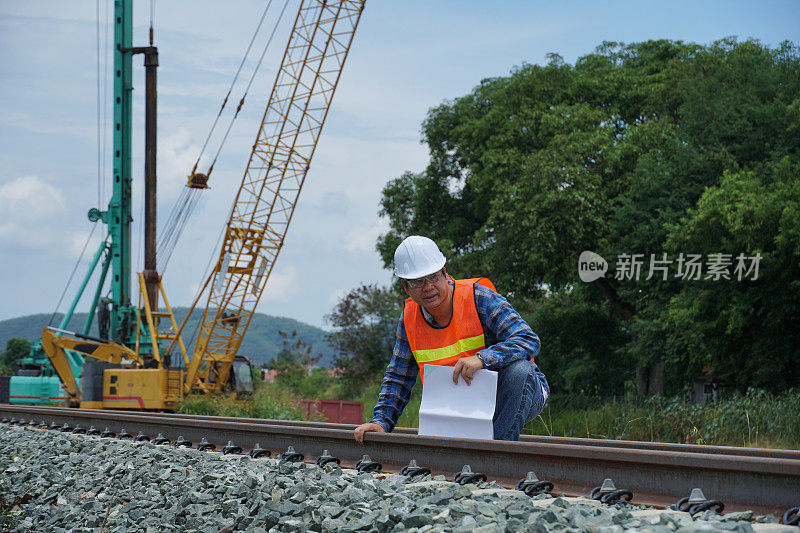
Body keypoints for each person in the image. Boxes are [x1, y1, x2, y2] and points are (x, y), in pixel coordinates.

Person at [354, 235, 549, 442]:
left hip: (516, 394)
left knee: (520, 370)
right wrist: (381, 421)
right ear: (406, 287)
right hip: (459, 406)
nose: (428, 287)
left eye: (433, 277)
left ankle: (495, 455)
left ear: (445, 274)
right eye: (418, 281)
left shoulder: (479, 298)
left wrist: (483, 359)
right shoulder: (409, 319)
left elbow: (527, 339)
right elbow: (399, 376)